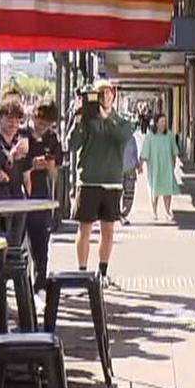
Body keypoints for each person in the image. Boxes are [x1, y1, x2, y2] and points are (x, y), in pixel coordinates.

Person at [66, 80, 134, 286]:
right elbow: (71, 144)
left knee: (108, 230)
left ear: (114, 95)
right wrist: (78, 120)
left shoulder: (122, 120)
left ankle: (102, 272)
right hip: (88, 181)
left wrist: (106, 117)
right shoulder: (87, 120)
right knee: (84, 228)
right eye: (100, 93)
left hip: (112, 182)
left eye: (108, 93)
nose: (105, 97)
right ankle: (82, 272)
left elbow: (122, 136)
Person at [24, 98, 63, 292]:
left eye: (47, 124)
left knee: (41, 244)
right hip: (21, 196)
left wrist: (50, 166)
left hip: (41, 195)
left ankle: (39, 285)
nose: (43, 127)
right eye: (40, 122)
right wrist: (31, 164)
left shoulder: (52, 139)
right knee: (18, 246)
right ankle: (19, 287)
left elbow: (56, 168)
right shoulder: (22, 134)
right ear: (33, 116)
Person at [139, 113, 180, 221]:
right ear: (156, 123)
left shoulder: (169, 135)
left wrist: (174, 162)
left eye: (165, 122)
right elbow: (145, 151)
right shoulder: (150, 136)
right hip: (154, 166)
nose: (163, 124)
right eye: (161, 122)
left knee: (167, 189)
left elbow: (174, 150)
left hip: (167, 166)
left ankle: (167, 211)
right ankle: (154, 211)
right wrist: (141, 165)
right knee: (154, 189)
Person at [0, 97, 32, 200]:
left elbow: (26, 177)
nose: (14, 123)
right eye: (9, 118)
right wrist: (11, 155)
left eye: (17, 119)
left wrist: (28, 199)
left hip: (18, 200)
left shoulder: (21, 142)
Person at [120, 133, 139, 225]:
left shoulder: (132, 139)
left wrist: (137, 165)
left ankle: (124, 214)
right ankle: (118, 214)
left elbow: (135, 152)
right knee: (117, 193)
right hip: (117, 170)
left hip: (130, 169)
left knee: (129, 193)